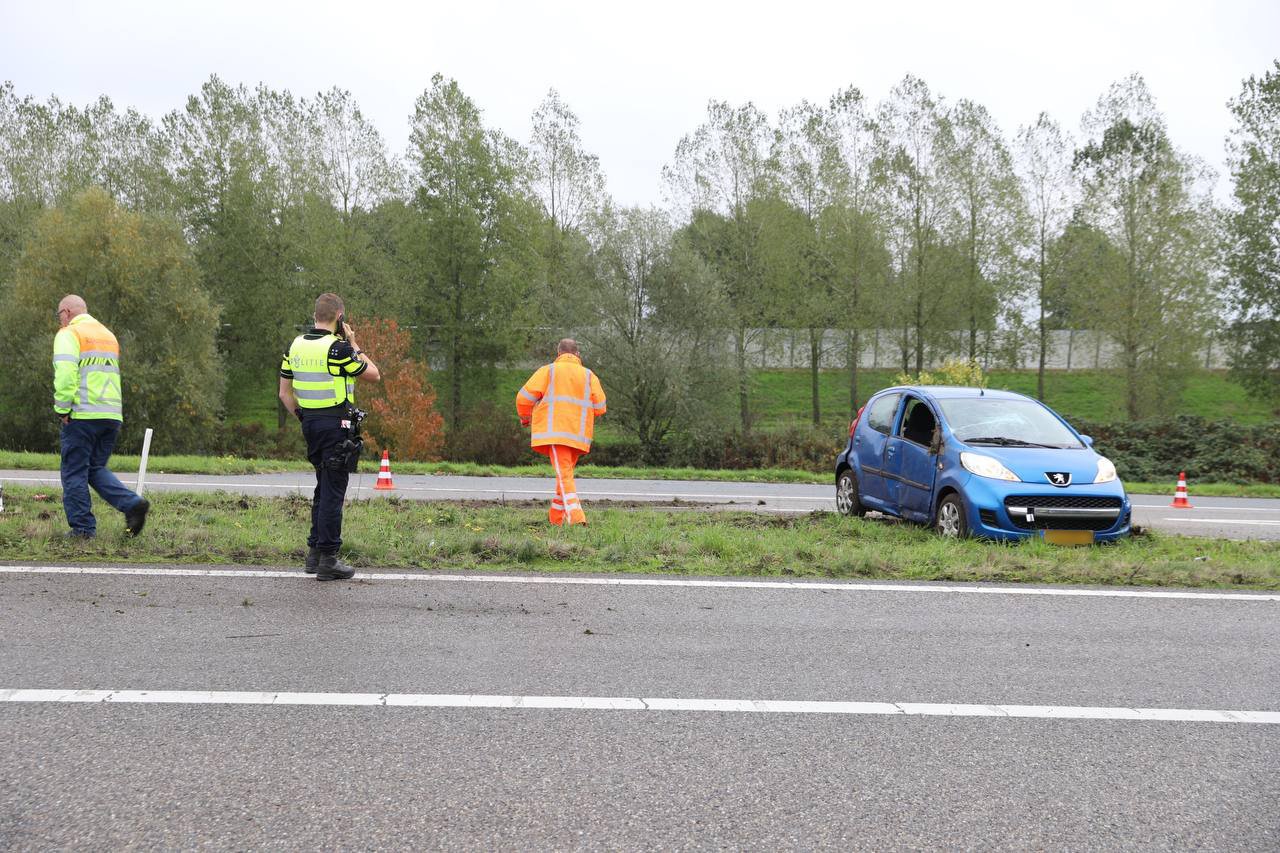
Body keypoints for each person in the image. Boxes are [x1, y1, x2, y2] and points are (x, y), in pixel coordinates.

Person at [278, 293, 380, 581]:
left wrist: (304, 418)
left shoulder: (295, 346)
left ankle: (314, 554)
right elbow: (374, 374)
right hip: (336, 425)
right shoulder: (339, 349)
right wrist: (355, 344)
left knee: (322, 488)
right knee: (333, 491)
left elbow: (284, 393)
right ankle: (328, 558)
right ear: (339, 317)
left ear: (315, 316)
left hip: (310, 424)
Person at [52, 294, 150, 538]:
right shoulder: (107, 335)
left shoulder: (69, 333)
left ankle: (82, 529)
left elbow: (65, 374)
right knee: (94, 468)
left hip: (82, 414)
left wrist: (62, 408)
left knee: (74, 472)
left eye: (59, 315)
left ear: (67, 312)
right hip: (110, 414)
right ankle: (133, 505)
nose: (59, 320)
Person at [515, 339, 606, 526]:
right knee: (564, 476)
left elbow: (523, 398)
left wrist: (525, 418)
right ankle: (555, 520)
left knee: (564, 476)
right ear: (577, 354)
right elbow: (600, 407)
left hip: (555, 433)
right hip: (579, 436)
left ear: (558, 354)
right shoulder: (589, 375)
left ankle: (576, 517)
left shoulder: (548, 371)